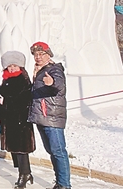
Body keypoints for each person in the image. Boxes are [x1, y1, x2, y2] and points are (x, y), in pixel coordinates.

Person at [29, 41, 70, 189]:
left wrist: (52, 82)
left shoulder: (54, 69)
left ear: (49, 55)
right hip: (43, 117)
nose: (38, 57)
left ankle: (64, 185)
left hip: (52, 117)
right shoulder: (38, 71)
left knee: (58, 151)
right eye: (36, 54)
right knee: (52, 151)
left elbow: (59, 83)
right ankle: (59, 182)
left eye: (42, 54)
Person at [0, 50, 36, 189]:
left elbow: (23, 100)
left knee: (21, 149)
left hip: (20, 121)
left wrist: (5, 102)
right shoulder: (7, 79)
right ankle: (25, 172)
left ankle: (24, 174)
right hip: (10, 120)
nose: (12, 68)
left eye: (14, 65)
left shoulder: (22, 79)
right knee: (16, 149)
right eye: (9, 66)